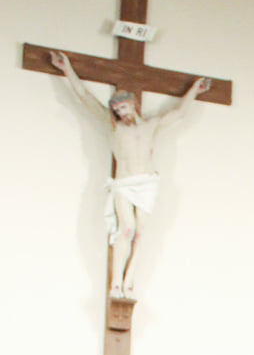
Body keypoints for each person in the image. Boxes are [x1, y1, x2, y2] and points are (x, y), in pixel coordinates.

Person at [48, 49, 211, 298]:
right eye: (117, 110)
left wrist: (194, 91)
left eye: (123, 107)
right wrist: (66, 68)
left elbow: (179, 113)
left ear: (133, 104)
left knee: (141, 233)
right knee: (126, 229)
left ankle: (129, 282)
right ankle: (115, 284)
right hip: (124, 184)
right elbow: (84, 96)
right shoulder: (112, 124)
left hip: (147, 183)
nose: (121, 112)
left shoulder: (151, 125)